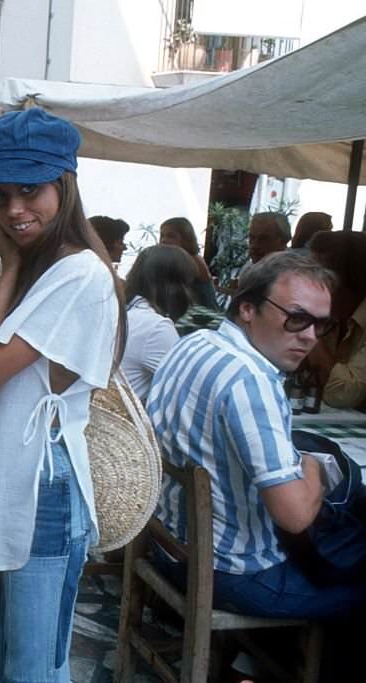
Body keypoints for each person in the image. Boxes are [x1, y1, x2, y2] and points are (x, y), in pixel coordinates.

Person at [0, 108, 125, 683]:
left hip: (39, 488)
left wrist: (13, 261)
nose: (14, 209)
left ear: (63, 186)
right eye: (0, 196)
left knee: (29, 662)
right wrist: (12, 265)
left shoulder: (79, 275)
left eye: (29, 190)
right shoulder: (23, 264)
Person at [147, 251, 366, 624]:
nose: (310, 337)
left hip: (166, 547)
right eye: (296, 319)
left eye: (320, 325)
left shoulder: (195, 342)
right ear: (247, 308)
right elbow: (294, 516)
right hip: (233, 574)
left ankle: (251, 661)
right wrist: (311, 468)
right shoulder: (251, 380)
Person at [121, 245, 195, 403]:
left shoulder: (124, 310)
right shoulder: (156, 328)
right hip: (125, 422)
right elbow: (186, 388)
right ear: (176, 286)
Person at [307, 230, 366, 408]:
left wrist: (309, 330)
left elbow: (343, 396)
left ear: (351, 280)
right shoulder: (330, 314)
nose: (310, 284)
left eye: (319, 277)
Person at [159, 217, 217, 308]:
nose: (163, 240)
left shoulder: (192, 260)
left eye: (171, 236)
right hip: (186, 313)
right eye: (162, 235)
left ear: (186, 239)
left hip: (204, 316)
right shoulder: (175, 257)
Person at [237, 211, 290, 279]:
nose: (254, 245)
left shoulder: (293, 276)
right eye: (252, 238)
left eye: (263, 239)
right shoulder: (249, 269)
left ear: (283, 241)